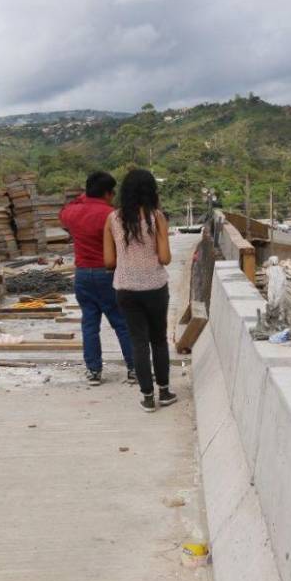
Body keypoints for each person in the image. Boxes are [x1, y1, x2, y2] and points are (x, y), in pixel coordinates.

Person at [104, 168, 174, 413]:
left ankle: (147, 397)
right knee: (159, 340)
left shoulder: (112, 219)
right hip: (155, 287)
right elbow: (165, 258)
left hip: (126, 289)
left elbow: (109, 261)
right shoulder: (157, 218)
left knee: (138, 342)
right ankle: (164, 391)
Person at [60, 171, 134, 386]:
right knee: (121, 322)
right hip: (108, 273)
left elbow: (63, 212)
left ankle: (94, 371)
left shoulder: (72, 213)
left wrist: (82, 198)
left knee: (90, 324)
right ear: (108, 193)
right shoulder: (112, 215)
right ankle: (133, 368)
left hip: (82, 275)